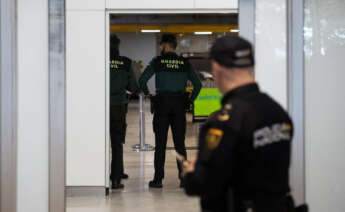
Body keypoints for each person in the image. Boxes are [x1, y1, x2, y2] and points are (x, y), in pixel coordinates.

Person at [183, 35, 296, 212]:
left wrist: (191, 173)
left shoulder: (224, 122)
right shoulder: (277, 112)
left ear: (217, 68)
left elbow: (203, 184)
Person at [139, 33, 202, 188]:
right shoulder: (184, 63)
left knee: (160, 144)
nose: (161, 47)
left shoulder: (157, 61)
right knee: (180, 143)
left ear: (166, 45)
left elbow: (142, 80)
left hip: (162, 105)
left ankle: (158, 179)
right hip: (179, 105)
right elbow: (198, 84)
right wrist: (189, 101)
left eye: (162, 45)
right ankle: (183, 177)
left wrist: (149, 96)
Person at [109, 34, 138, 189]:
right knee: (117, 143)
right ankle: (116, 178)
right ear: (118, 45)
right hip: (118, 106)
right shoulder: (125, 62)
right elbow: (133, 86)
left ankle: (97, 174)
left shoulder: (98, 59)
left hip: (100, 107)